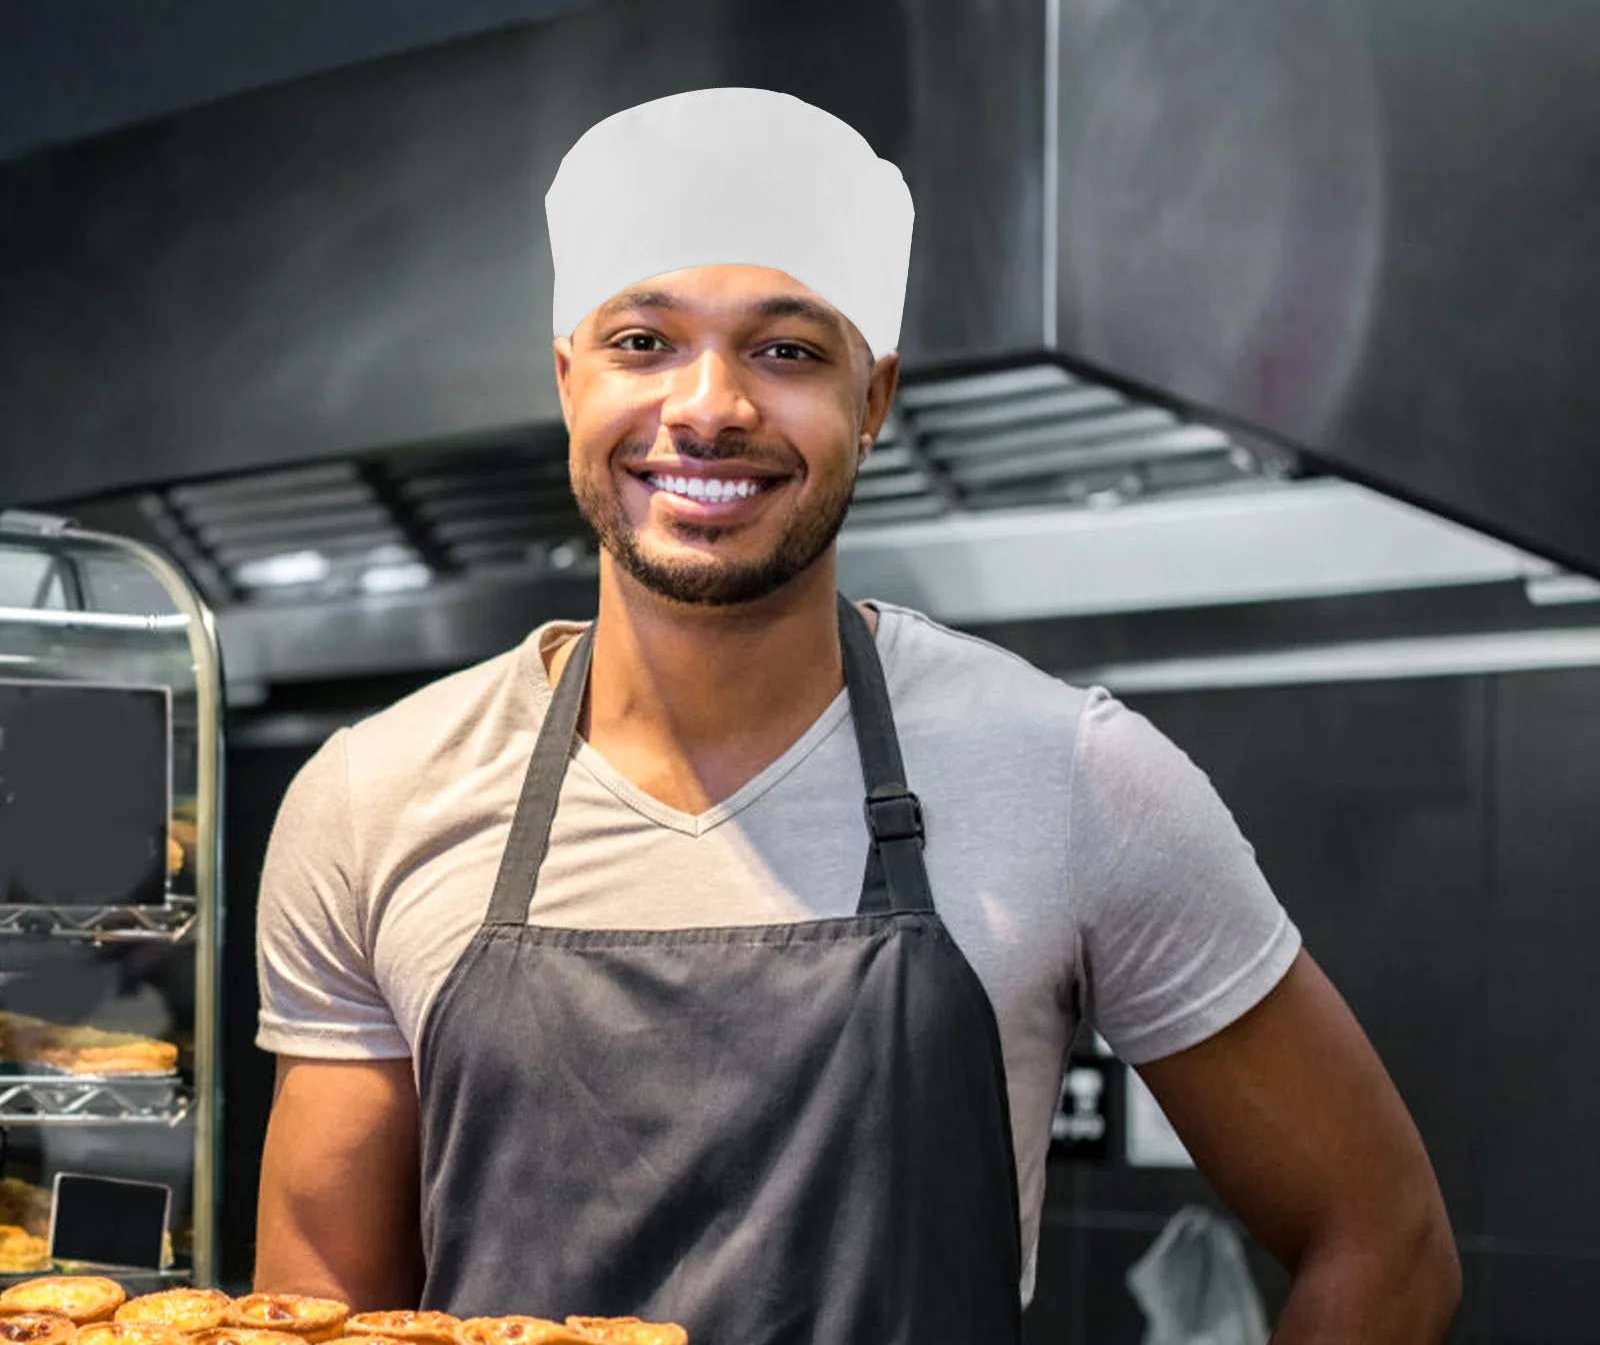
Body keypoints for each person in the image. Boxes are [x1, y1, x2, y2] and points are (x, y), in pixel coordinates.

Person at [253, 89, 1461, 1343]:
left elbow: (1385, 1243)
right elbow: (313, 1313)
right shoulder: (372, 796)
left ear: (873, 397)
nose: (709, 405)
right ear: (568, 381)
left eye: (786, 350)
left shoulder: (1073, 775)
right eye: (643, 341)